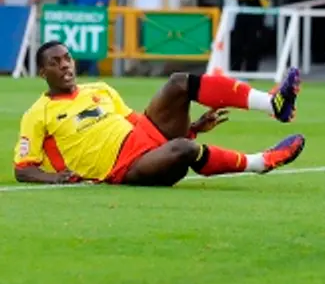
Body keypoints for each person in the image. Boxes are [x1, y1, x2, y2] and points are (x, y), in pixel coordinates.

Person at [13, 42, 304, 186]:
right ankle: (260, 162)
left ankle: (273, 104)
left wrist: (191, 126)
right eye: (55, 62)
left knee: (178, 83)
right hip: (124, 167)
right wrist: (56, 178)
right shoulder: (38, 113)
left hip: (142, 136)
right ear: (42, 72)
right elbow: (23, 168)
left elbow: (137, 123)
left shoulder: (99, 88)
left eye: (68, 58)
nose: (65, 66)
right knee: (184, 149)